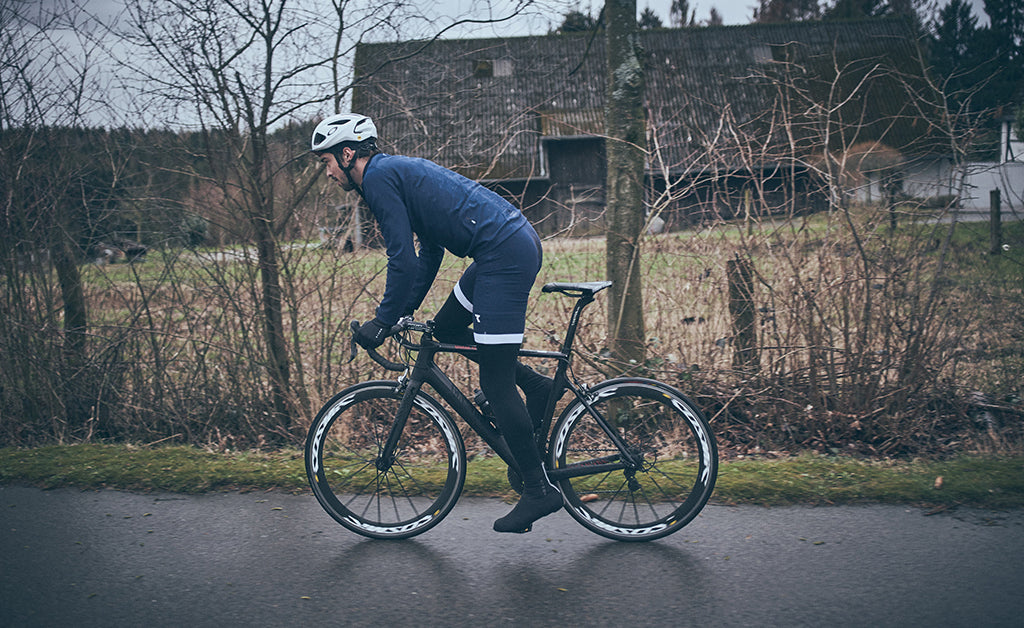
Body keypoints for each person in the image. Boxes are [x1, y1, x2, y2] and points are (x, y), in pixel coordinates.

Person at [311, 113, 562, 533]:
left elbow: (401, 259)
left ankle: (538, 491)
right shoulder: (395, 174)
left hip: (503, 255)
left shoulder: (377, 180)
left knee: (496, 383)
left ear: (348, 153)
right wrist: (402, 314)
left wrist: (382, 320)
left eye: (327, 161)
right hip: (499, 251)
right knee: (443, 331)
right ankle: (535, 386)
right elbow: (428, 255)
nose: (328, 170)